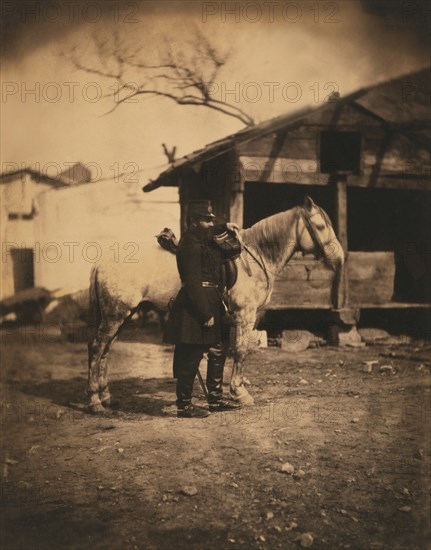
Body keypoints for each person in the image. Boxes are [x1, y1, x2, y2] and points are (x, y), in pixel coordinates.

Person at [166, 200, 243, 418]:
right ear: (193, 223)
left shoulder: (203, 238)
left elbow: (216, 227)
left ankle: (216, 400)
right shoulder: (189, 245)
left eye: (211, 220)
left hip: (213, 300)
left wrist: (225, 224)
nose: (210, 224)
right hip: (196, 305)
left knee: (218, 349)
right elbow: (191, 282)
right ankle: (184, 405)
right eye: (205, 220)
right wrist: (204, 313)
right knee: (191, 354)